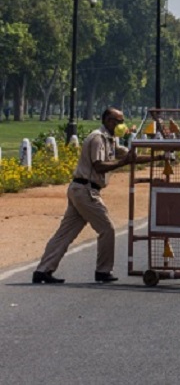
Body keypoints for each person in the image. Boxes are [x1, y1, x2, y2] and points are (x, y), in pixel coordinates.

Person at [33, 107, 142, 284]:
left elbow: (129, 157)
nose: (121, 125)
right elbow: (98, 165)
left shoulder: (111, 139)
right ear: (108, 120)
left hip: (80, 189)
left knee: (65, 233)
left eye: (122, 121)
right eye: (118, 121)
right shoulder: (97, 138)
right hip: (86, 190)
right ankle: (103, 271)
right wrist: (123, 162)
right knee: (107, 229)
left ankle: (42, 270)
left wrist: (158, 156)